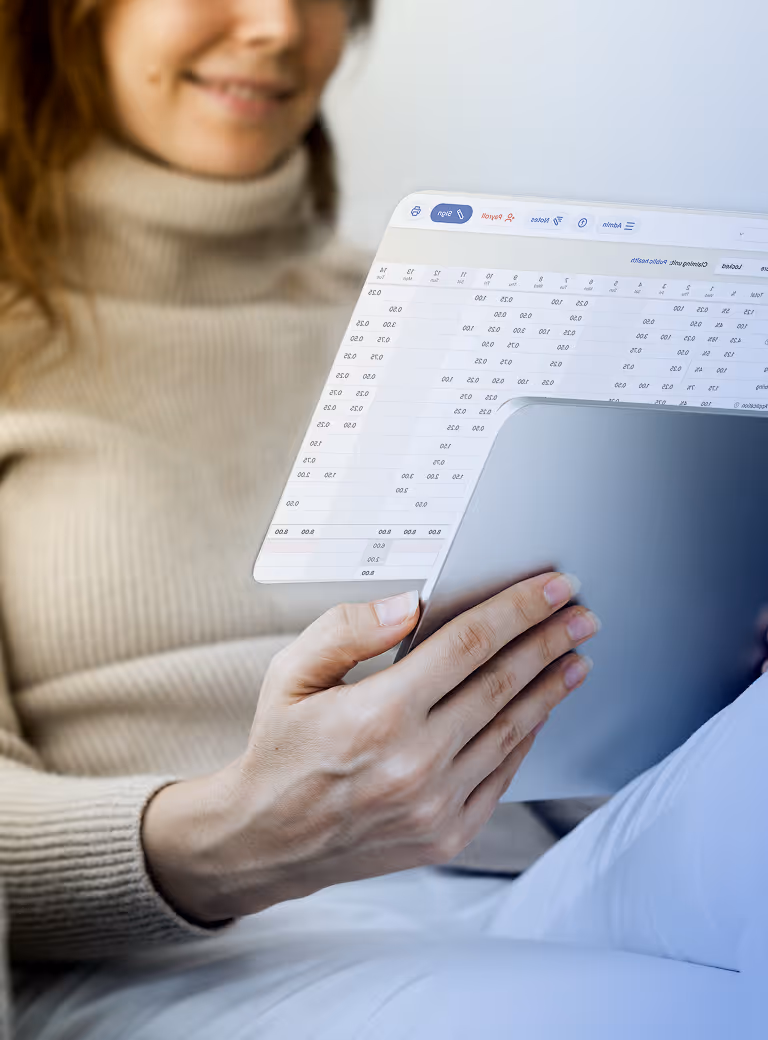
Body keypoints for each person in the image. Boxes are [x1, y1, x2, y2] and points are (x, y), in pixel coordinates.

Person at [1, 2, 764, 1038]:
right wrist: (239, 831)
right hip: (198, 951)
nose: (277, 26)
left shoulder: (456, 304)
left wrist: (712, 671)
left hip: (545, 875)